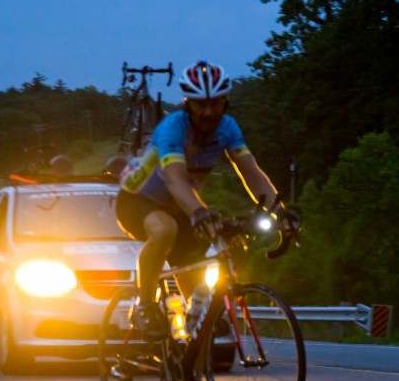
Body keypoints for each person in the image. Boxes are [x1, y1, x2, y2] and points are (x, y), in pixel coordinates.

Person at [116, 60, 290, 336]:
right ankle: (144, 305)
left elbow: (251, 172)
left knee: (200, 270)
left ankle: (195, 347)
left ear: (225, 102)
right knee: (165, 230)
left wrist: (279, 212)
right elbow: (175, 179)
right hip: (137, 199)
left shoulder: (228, 129)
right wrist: (198, 211)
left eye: (216, 104)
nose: (209, 112)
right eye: (200, 104)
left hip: (178, 203)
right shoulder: (172, 129)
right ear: (188, 104)